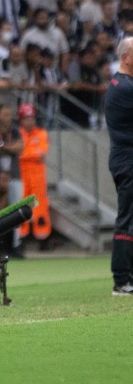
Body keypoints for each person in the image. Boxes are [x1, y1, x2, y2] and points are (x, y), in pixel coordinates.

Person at [104, 37, 133, 295]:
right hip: (128, 159)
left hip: (123, 156)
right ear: (126, 58)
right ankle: (121, 280)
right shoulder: (125, 88)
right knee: (127, 219)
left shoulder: (119, 82)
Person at [0, 104, 25, 257]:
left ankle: (16, 245)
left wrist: (2, 146)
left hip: (14, 175)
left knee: (16, 210)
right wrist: (7, 147)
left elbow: (20, 148)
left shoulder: (15, 131)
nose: (7, 117)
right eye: (4, 114)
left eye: (9, 114)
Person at [17, 103, 52, 248]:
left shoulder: (42, 133)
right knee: (21, 206)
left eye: (31, 118)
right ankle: (21, 239)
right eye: (26, 118)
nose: (29, 121)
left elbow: (41, 153)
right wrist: (30, 155)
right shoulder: (18, 134)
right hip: (22, 175)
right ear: (21, 120)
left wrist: (25, 154)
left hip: (38, 176)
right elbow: (19, 154)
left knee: (40, 206)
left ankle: (43, 239)